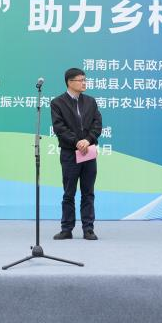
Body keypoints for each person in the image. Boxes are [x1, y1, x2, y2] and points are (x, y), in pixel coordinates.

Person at [50, 67, 103, 240]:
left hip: (88, 152)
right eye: (80, 80)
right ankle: (67, 229)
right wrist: (76, 142)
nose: (84, 83)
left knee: (88, 192)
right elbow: (59, 128)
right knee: (69, 193)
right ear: (69, 82)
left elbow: (97, 124)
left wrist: (87, 140)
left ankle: (88, 229)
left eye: (84, 79)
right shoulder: (57, 103)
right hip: (69, 153)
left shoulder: (90, 101)